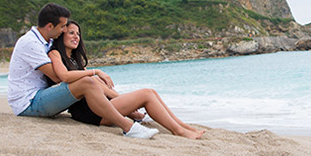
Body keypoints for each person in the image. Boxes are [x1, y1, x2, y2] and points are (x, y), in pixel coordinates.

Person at [6, 3, 155, 139]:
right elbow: (59, 77)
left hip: (40, 96)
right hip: (29, 103)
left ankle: (133, 113)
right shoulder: (30, 43)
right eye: (63, 26)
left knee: (89, 79)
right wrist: (94, 72)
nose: (64, 30)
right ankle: (128, 127)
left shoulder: (46, 41)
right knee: (86, 82)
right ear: (50, 26)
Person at [48, 20, 204, 139]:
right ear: (61, 35)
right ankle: (179, 131)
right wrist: (96, 72)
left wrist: (123, 101)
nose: (76, 37)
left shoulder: (75, 60)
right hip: (90, 112)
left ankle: (182, 126)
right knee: (147, 94)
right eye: (71, 33)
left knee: (151, 92)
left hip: (100, 106)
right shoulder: (55, 54)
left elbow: (101, 88)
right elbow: (65, 76)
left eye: (78, 33)